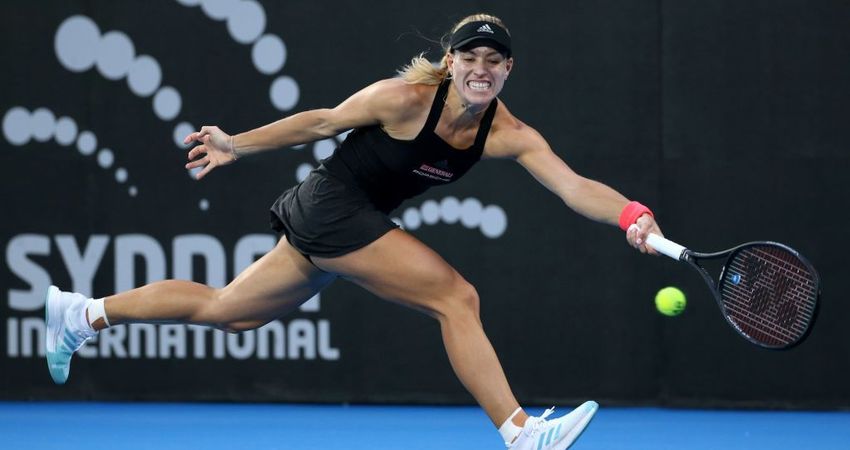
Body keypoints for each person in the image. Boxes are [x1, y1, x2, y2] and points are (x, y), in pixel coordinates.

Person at [45, 13, 662, 450]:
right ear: (450, 63)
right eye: (469, 58)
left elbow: (573, 185)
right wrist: (235, 144)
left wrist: (631, 215)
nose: (480, 69)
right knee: (457, 297)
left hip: (347, 220)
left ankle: (83, 314)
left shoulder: (509, 132)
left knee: (229, 311)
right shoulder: (404, 99)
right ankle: (521, 432)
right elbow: (322, 120)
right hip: (333, 206)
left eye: (492, 61)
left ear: (508, 70)